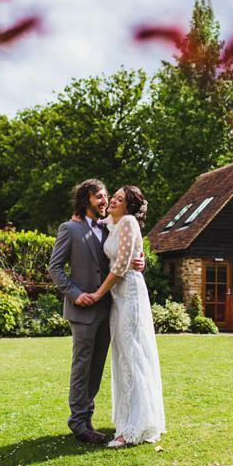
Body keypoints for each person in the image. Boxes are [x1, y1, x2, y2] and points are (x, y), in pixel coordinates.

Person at [48, 179, 146, 445]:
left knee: (96, 369)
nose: (105, 201)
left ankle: (87, 419)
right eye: (99, 197)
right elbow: (54, 268)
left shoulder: (109, 227)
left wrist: (141, 260)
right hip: (82, 310)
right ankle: (78, 423)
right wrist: (74, 294)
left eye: (106, 196)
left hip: (109, 309)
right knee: (82, 368)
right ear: (85, 200)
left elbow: (125, 255)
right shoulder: (69, 229)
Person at [83, 185, 166, 448]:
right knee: (121, 355)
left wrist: (97, 294)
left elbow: (120, 266)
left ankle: (134, 427)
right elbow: (95, 218)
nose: (113, 201)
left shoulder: (129, 222)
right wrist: (77, 216)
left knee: (133, 354)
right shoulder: (113, 222)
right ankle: (129, 417)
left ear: (129, 207)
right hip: (117, 297)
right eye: (113, 197)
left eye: (119, 199)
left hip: (128, 292)